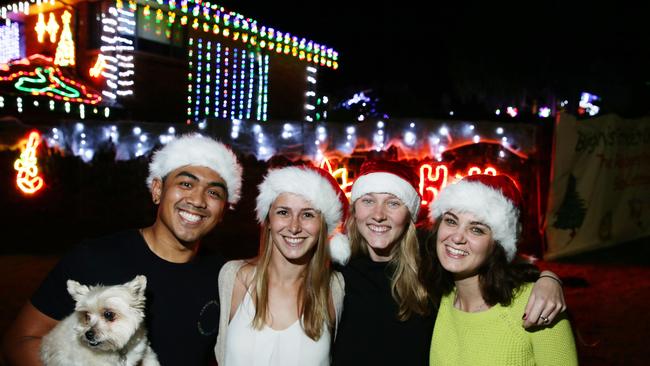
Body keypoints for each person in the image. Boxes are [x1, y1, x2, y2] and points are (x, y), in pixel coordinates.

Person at [1, 134, 243, 366]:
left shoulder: (224, 277)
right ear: (157, 190)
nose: (198, 200)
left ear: (222, 210)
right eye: (186, 183)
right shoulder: (95, 258)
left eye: (213, 192)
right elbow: (19, 342)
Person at [331, 159, 566, 365]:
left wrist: (548, 278)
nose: (379, 214)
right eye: (368, 201)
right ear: (354, 209)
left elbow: (500, 269)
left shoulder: (430, 266)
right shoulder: (335, 266)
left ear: (410, 214)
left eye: (393, 203)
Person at [426, 174, 578, 365]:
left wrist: (550, 278)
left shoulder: (537, 307)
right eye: (451, 221)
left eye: (476, 229)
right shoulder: (439, 298)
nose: (457, 237)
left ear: (497, 245)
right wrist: (550, 276)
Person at [214, 164, 350, 366]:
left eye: (308, 214)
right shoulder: (234, 277)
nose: (294, 227)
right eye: (283, 212)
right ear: (268, 221)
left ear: (323, 226)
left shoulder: (333, 287)